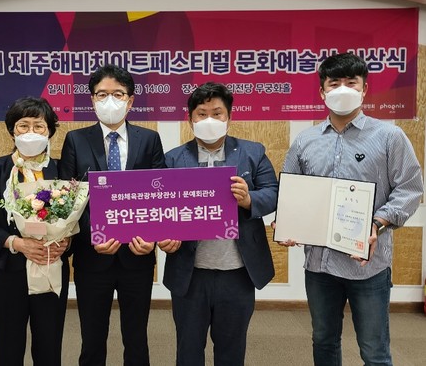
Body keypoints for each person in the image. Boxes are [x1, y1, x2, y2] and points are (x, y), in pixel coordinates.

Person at [277, 52, 423, 366]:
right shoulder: (305, 141)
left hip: (367, 266)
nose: (342, 89)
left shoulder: (389, 137)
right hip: (320, 265)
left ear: (364, 89)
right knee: (323, 341)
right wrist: (287, 222)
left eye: (351, 82)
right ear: (322, 92)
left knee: (374, 350)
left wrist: (378, 223)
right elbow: (290, 191)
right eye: (334, 83)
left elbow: (410, 189)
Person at [160, 82, 278, 366]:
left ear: (229, 117)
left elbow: (274, 193)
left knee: (231, 350)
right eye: (202, 114)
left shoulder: (252, 152)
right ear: (190, 120)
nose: (209, 120)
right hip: (190, 273)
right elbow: (160, 208)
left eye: (217, 113)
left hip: (237, 272)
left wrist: (248, 199)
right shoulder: (173, 159)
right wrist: (164, 235)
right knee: (188, 350)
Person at [58, 64, 165, 366]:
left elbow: (158, 195)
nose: (110, 101)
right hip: (93, 256)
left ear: (130, 101)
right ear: (92, 100)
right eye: (102, 94)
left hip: (137, 255)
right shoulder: (76, 140)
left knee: (136, 337)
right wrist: (94, 235)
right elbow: (69, 200)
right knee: (92, 338)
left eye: (118, 94)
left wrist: (151, 237)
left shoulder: (149, 139)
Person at [0, 96, 70, 366]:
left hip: (50, 267)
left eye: (39, 126)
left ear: (49, 131)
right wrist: (15, 243)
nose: (31, 132)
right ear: (12, 130)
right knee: (7, 347)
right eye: (23, 125)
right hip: (9, 271)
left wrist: (66, 242)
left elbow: (76, 217)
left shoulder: (62, 169)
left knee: (49, 347)